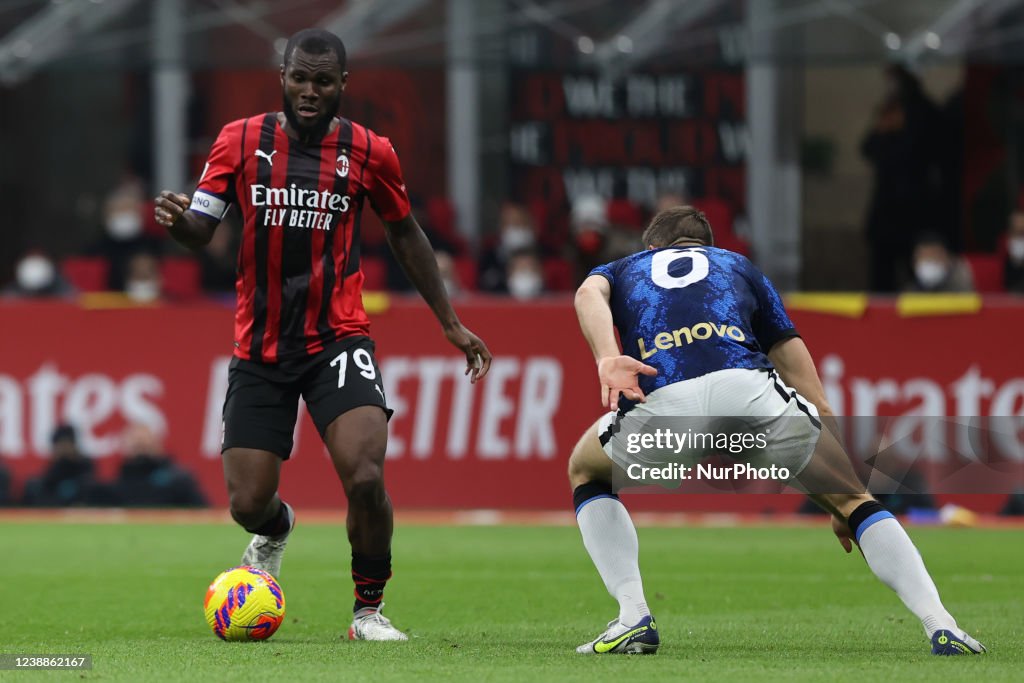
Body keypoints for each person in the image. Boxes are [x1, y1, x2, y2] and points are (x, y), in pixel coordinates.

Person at [153, 28, 492, 642]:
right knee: (246, 502)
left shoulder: (370, 150)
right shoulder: (240, 139)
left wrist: (449, 320)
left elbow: (405, 232)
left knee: (364, 475)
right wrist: (182, 226)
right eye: (299, 78)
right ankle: (275, 530)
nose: (310, 91)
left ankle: (368, 612)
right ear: (283, 76)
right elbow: (203, 226)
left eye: (323, 81)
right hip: (259, 348)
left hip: (338, 339)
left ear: (343, 85)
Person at [567, 206, 985, 656]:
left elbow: (588, 293)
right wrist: (837, 492)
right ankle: (942, 625)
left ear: (652, 248)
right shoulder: (740, 268)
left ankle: (633, 616)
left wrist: (607, 357)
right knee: (856, 501)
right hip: (748, 394)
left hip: (668, 403)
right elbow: (806, 383)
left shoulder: (626, 266)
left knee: (586, 472)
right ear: (709, 248)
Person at [905, 233, 974, 293]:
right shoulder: (908, 294)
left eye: (935, 256)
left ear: (948, 260)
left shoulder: (963, 292)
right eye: (925, 257)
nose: (930, 262)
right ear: (914, 263)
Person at [1004, 211, 1024, 293]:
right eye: (1018, 222)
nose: (1021, 224)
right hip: (1014, 279)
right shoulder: (1006, 240)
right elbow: (1013, 261)